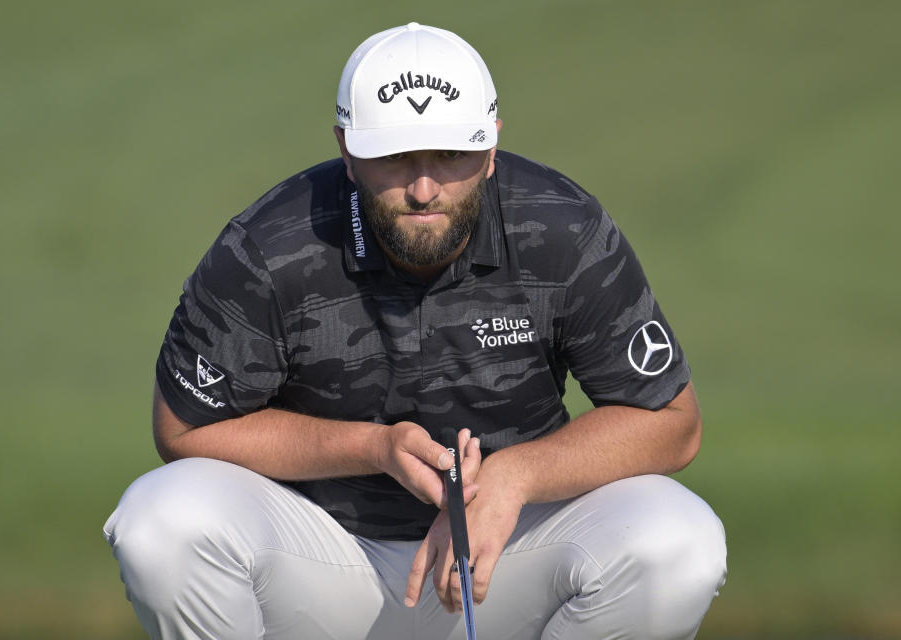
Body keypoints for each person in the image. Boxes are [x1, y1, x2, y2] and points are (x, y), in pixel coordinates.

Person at [104, 22, 727, 640]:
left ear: (489, 151)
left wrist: (516, 477)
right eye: (395, 156)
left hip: (509, 552)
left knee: (677, 538)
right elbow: (184, 428)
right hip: (323, 560)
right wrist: (371, 448)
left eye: (450, 154)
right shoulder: (268, 248)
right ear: (348, 151)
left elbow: (673, 421)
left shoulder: (564, 228)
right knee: (163, 520)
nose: (424, 188)